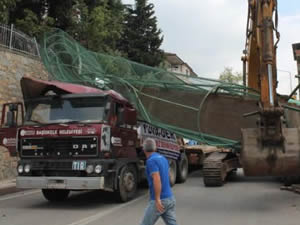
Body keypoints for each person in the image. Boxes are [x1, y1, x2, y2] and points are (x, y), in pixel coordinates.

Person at [140, 138, 179, 225]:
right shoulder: (163, 158)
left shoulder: (151, 161)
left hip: (160, 200)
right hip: (170, 198)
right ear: (155, 148)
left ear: (143, 149)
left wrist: (157, 199)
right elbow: (168, 174)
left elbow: (156, 179)